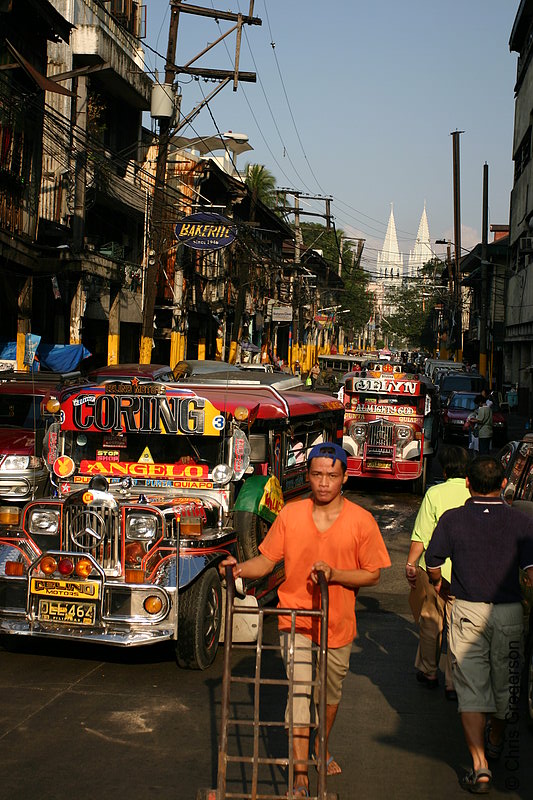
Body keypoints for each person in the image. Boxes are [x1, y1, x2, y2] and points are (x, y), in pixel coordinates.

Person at [220, 442, 391, 798]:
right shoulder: (291, 515)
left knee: (329, 695)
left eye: (332, 475)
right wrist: (239, 568)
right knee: (299, 693)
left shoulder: (362, 520)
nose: (324, 482)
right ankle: (300, 775)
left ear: (344, 477)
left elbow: (373, 574)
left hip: (338, 623)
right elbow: (266, 562)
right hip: (295, 617)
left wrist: (336, 573)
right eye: (317, 475)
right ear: (308, 476)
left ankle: (320, 744)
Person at [425, 457, 533, 794]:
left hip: (466, 609)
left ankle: (480, 765)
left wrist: (442, 587)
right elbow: (530, 573)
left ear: (468, 485)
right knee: (507, 685)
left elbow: (432, 563)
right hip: (510, 613)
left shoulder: (452, 519)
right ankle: (497, 739)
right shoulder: (521, 522)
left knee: (471, 688)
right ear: (504, 485)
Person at [406, 445, 470, 700]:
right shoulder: (474, 492)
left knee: (431, 620)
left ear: (443, 469)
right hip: (465, 572)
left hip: (433, 568)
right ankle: (453, 682)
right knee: (458, 627)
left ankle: (430, 671)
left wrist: (410, 565)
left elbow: (421, 535)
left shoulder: (435, 493)